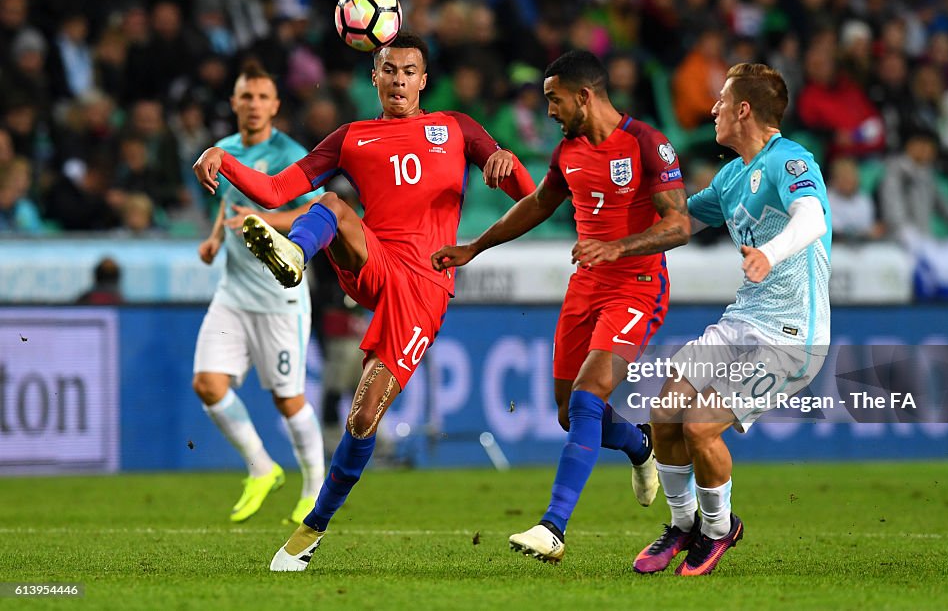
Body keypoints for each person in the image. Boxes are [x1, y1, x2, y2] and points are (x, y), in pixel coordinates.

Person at [192, 31, 535, 571]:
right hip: (373, 262)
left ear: (424, 80)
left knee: (362, 420)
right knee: (332, 201)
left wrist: (507, 164)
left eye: (408, 71)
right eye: (388, 70)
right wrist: (222, 157)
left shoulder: (457, 128)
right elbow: (279, 190)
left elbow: (530, 196)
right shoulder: (351, 137)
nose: (398, 80)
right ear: (373, 78)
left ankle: (311, 531)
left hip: (424, 284)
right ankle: (294, 254)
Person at [432, 50, 690, 563]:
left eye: (554, 99)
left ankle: (554, 527)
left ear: (584, 96)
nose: (548, 110)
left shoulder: (647, 143)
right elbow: (538, 204)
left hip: (637, 285)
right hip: (585, 287)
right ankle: (641, 446)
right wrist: (473, 247)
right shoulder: (568, 150)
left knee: (590, 394)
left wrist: (619, 246)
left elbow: (679, 225)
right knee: (570, 413)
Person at [632, 63, 831, 577]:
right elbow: (677, 224)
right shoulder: (731, 176)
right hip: (744, 319)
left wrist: (770, 250)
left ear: (743, 109)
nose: (713, 109)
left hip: (792, 334)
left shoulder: (791, 160)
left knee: (701, 428)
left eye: (721, 100)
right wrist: (612, 229)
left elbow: (811, 218)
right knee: (666, 410)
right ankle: (682, 525)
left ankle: (719, 531)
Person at [192, 62, 325, 526]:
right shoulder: (224, 151)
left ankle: (314, 487)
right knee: (207, 384)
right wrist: (214, 238)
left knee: (288, 401)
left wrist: (269, 219)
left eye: (262, 97)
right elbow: (231, 204)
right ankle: (263, 467)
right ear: (233, 103)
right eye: (245, 97)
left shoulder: (291, 154)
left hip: (278, 297)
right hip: (233, 292)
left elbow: (318, 208)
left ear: (275, 105)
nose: (253, 105)